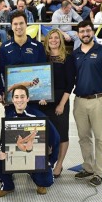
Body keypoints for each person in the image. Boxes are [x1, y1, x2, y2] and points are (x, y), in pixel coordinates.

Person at [72, 20, 102, 186]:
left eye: (88, 31)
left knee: (101, 138)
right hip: (79, 102)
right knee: (84, 138)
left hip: (100, 100)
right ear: (78, 34)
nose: (85, 34)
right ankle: (88, 167)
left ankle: (99, 172)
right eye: (82, 31)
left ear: (93, 32)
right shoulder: (75, 54)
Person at [0, 85, 60, 197]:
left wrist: (50, 162)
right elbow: (3, 141)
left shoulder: (38, 116)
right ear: (12, 99)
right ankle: (8, 185)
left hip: (35, 157)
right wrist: (4, 153)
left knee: (46, 182)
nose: (19, 100)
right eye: (16, 97)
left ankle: (36, 177)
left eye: (22, 97)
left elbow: (56, 139)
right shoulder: (9, 117)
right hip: (16, 154)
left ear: (28, 99)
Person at [39, 29, 75, 178]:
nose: (54, 40)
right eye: (51, 38)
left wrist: (61, 104)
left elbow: (70, 84)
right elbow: (39, 79)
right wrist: (40, 96)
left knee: (62, 135)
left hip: (61, 99)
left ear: (61, 40)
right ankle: (47, 162)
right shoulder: (44, 57)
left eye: (56, 38)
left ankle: (59, 164)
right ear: (47, 41)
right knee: (45, 135)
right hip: (45, 101)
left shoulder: (67, 58)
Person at [0, 11, 46, 102]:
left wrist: (44, 93)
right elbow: (0, 73)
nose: (18, 27)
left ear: (26, 24)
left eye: (21, 23)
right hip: (12, 100)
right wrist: (2, 92)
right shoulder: (4, 48)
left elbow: (43, 71)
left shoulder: (38, 46)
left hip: (33, 99)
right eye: (15, 24)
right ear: (11, 26)